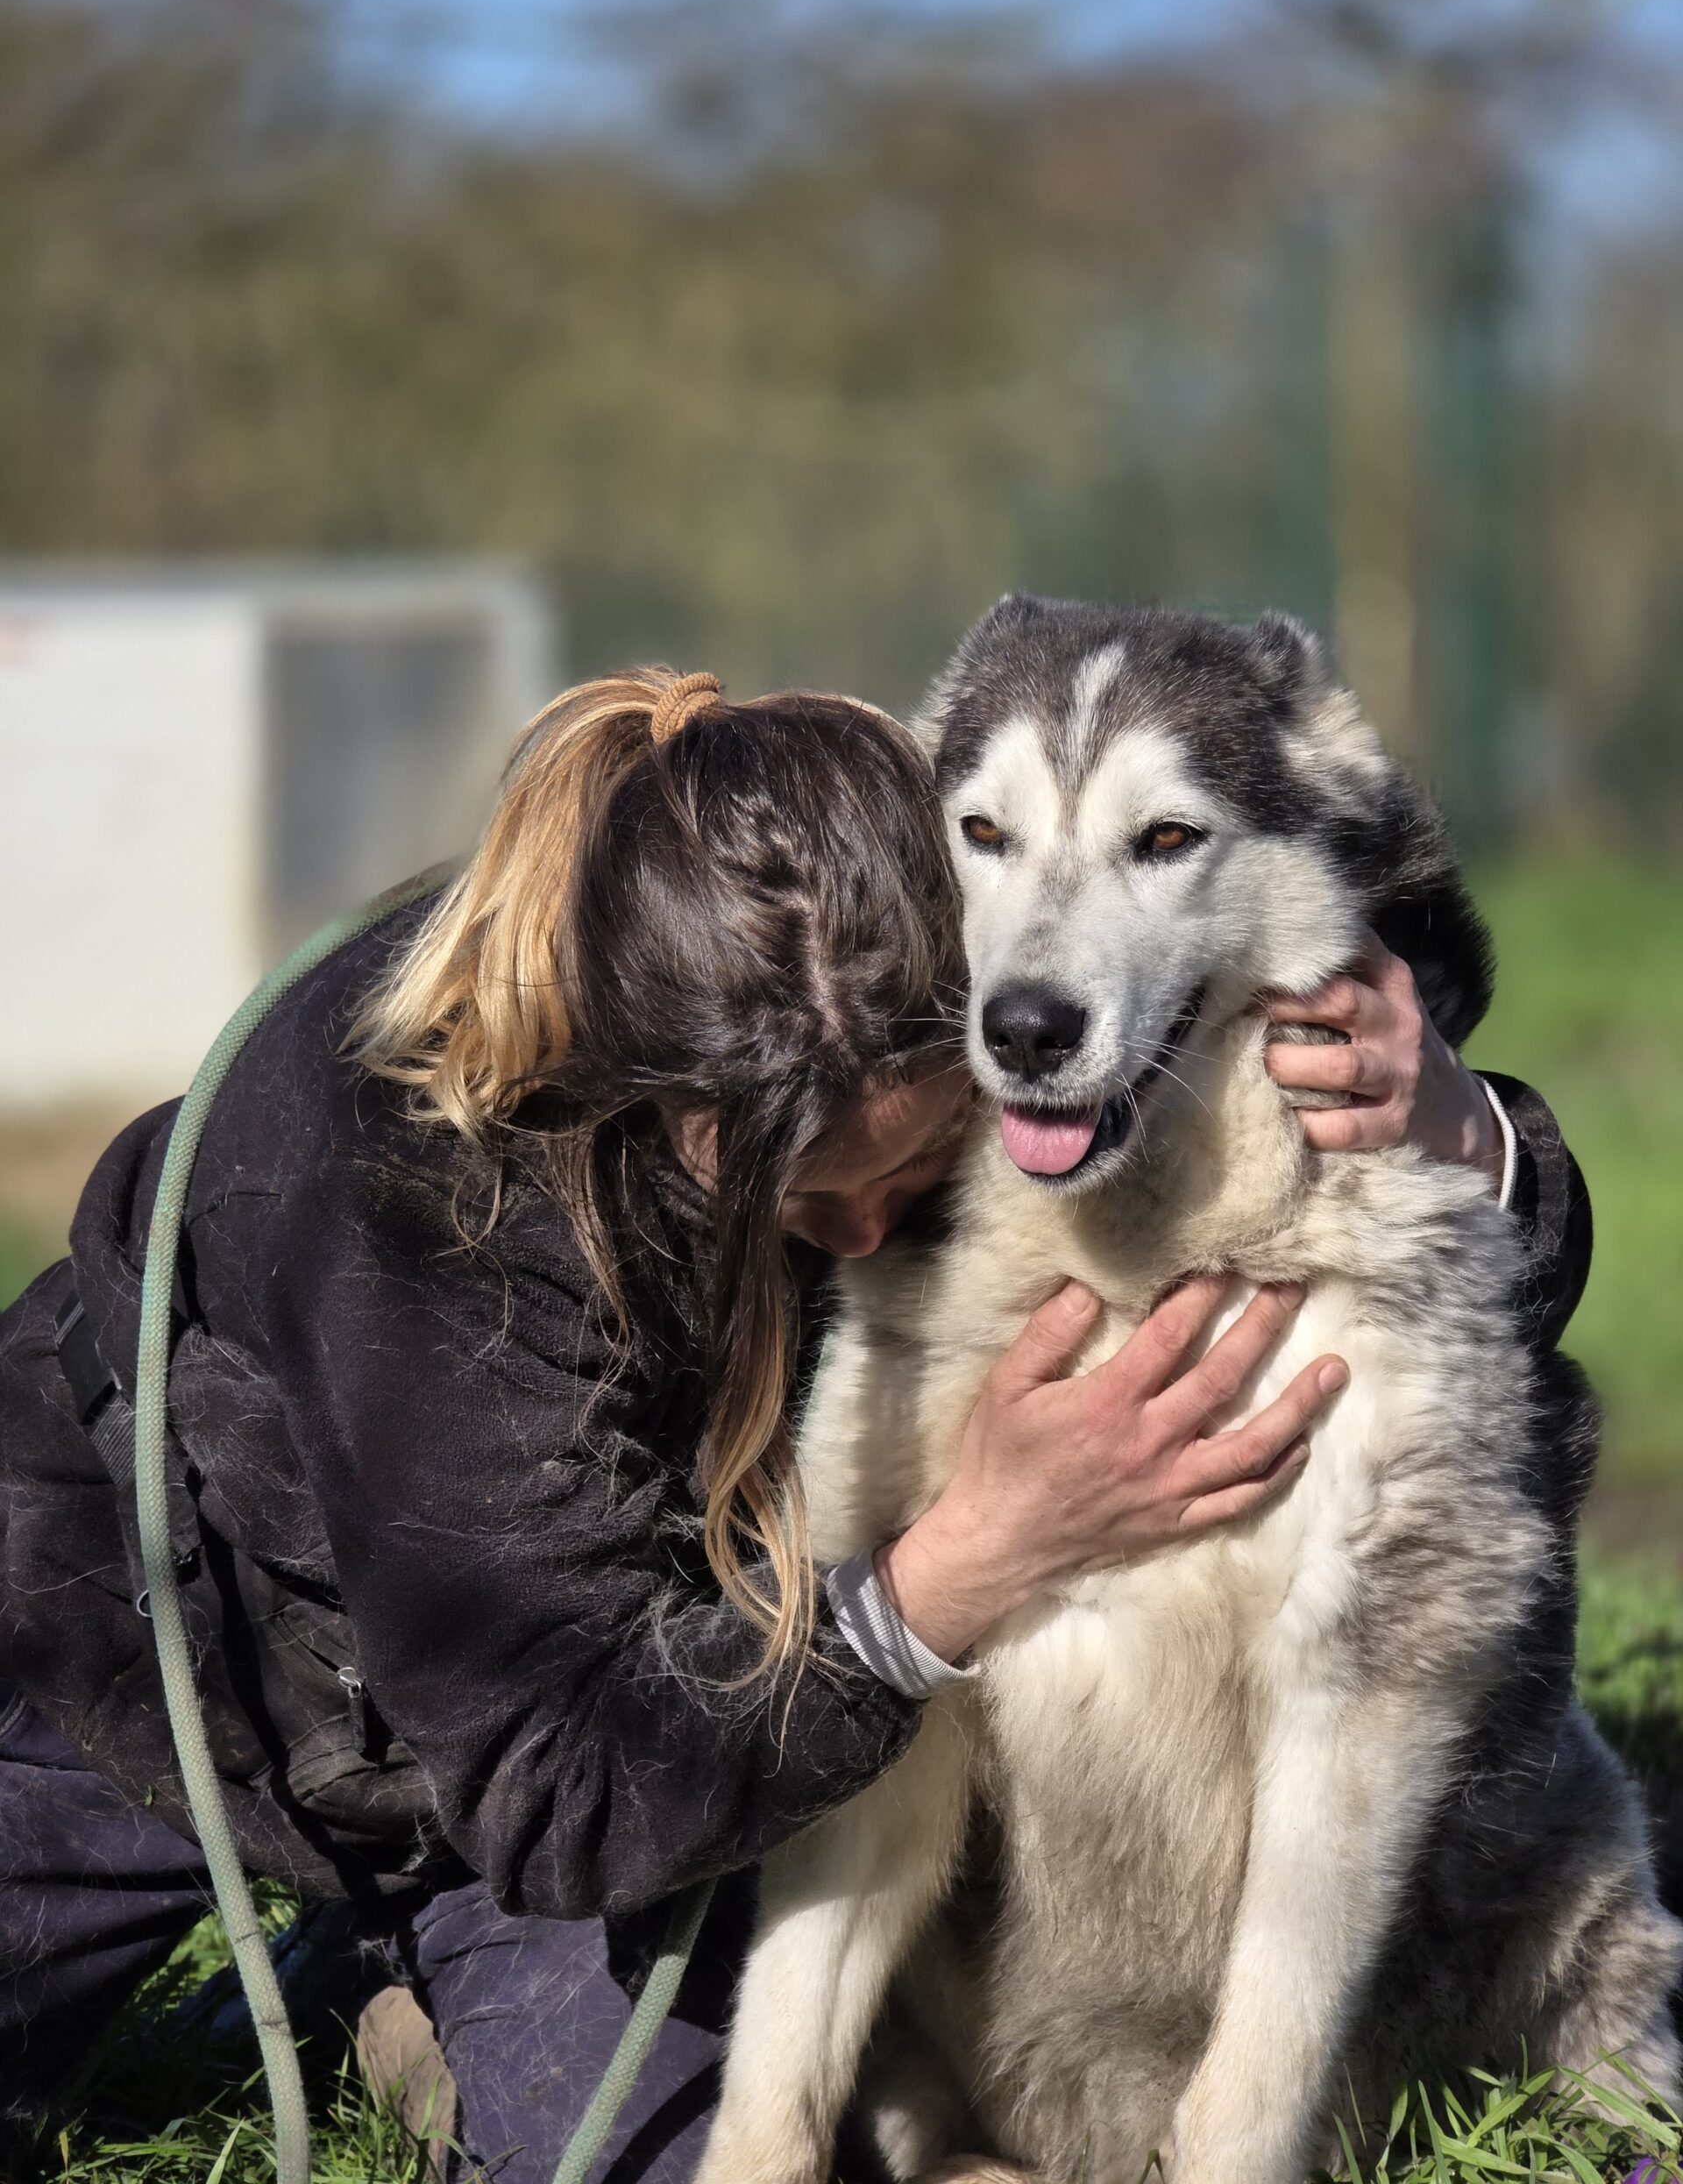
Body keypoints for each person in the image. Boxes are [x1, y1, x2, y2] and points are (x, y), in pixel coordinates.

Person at [0, 666, 1589, 2182]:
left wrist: (1456, 1124)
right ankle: (337, 1958)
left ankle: (383, 1989)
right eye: (821, 1202)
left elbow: (1371, 1241)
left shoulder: (873, 919)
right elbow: (566, 1789)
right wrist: (959, 1569)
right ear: (664, 1102)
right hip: (149, 1679)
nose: (874, 1238)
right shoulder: (414, 1194)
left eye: (920, 1174)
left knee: (662, 2154)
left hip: (613, 1748)